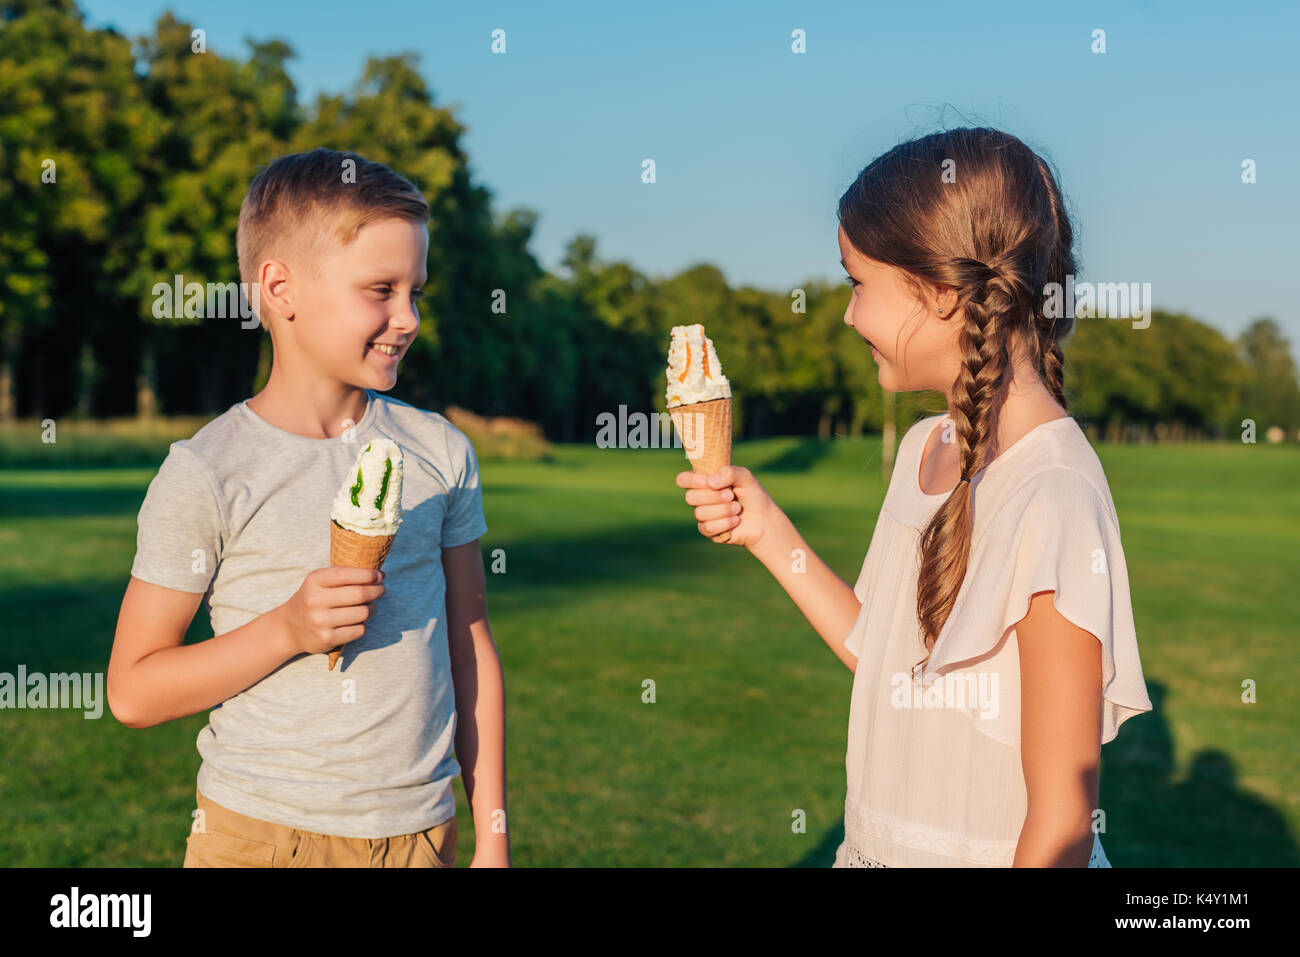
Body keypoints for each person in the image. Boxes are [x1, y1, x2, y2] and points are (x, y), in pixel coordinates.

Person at [676, 127, 1152, 867]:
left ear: (940, 292)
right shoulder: (922, 450)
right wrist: (766, 530)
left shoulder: (1053, 492)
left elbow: (1061, 818)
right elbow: (886, 661)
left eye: (857, 283)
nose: (847, 314)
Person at [107, 148, 510, 867]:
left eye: (415, 291)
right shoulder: (209, 470)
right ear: (280, 288)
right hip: (260, 838)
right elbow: (134, 692)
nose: (407, 317)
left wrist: (494, 840)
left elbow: (469, 642)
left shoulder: (440, 451)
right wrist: (286, 629)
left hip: (420, 836)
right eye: (381, 289)